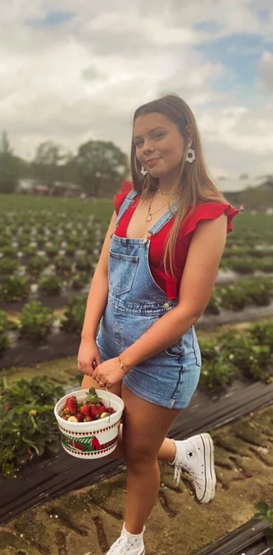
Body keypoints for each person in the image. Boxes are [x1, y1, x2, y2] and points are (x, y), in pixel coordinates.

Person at [78, 94, 240, 555]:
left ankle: (132, 541)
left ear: (187, 136)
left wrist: (124, 362)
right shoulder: (129, 197)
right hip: (110, 344)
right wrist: (90, 336)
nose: (146, 147)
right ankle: (185, 450)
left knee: (136, 456)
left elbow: (188, 310)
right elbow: (104, 271)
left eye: (158, 134)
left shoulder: (206, 212)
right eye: (138, 139)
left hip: (161, 359)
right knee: (100, 440)